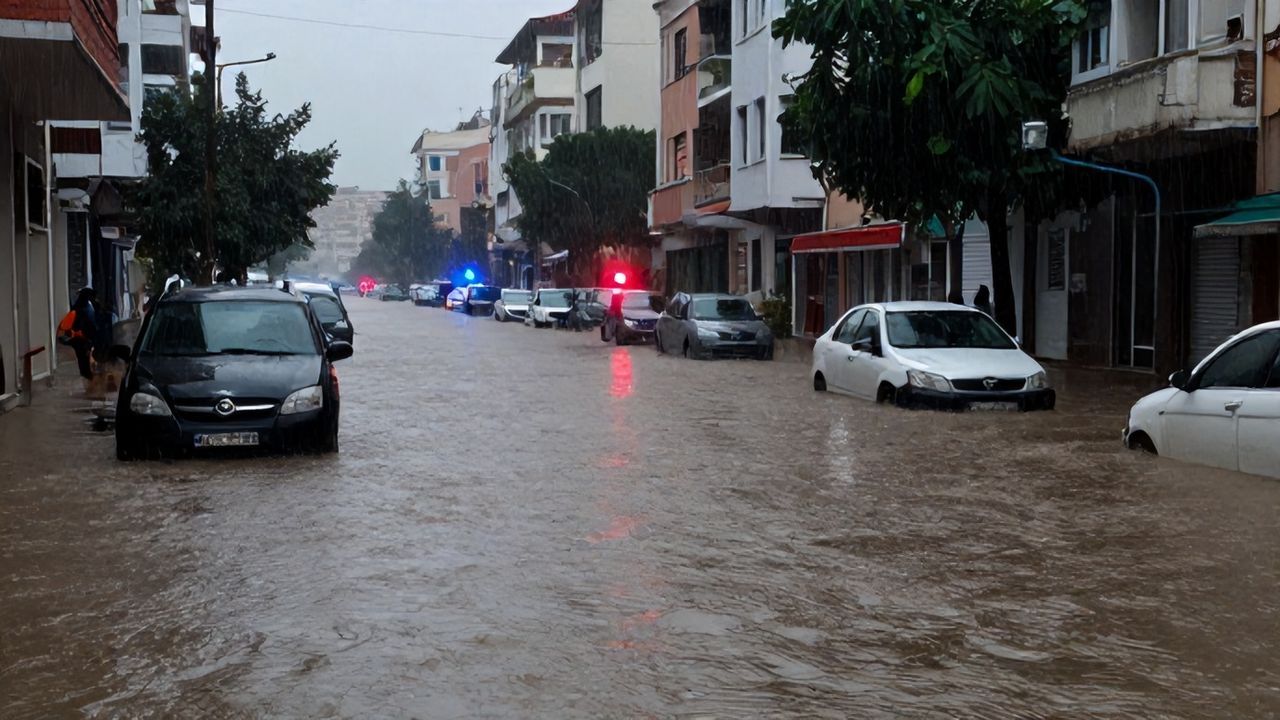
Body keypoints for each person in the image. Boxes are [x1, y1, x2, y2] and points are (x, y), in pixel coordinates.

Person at [67, 287, 98, 380]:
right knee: (84, 361)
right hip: (83, 340)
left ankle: (88, 378)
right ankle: (89, 378)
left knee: (84, 361)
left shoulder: (82, 306)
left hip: (84, 340)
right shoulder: (84, 307)